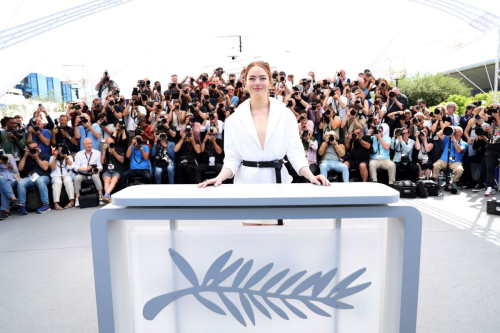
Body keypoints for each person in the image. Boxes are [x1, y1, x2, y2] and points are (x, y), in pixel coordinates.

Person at [198, 61, 329, 225]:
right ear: (245, 83)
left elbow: (295, 154)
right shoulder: (234, 120)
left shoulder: (285, 114)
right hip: (246, 188)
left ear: (270, 82)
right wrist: (219, 178)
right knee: (250, 245)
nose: (257, 83)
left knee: (280, 246)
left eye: (262, 78)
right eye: (252, 78)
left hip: (278, 186)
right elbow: (232, 158)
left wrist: (311, 177)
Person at [17, 141, 52, 215]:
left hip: (44, 177)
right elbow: (19, 169)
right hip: (31, 178)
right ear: (28, 149)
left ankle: (46, 204)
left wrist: (37, 158)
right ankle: (22, 206)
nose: (33, 149)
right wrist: (25, 156)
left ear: (38, 147)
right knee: (21, 183)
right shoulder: (27, 157)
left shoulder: (44, 156)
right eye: (31, 148)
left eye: (35, 147)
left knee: (40, 180)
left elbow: (45, 168)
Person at [431, 126, 467, 193]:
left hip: (456, 162)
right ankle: (435, 182)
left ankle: (453, 183)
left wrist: (454, 140)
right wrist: (449, 128)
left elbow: (459, 150)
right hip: (444, 160)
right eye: (455, 132)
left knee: (460, 169)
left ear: (461, 134)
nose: (456, 133)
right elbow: (438, 134)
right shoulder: (448, 139)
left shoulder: (464, 143)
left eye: (458, 132)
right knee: (435, 165)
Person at [73, 138, 105, 206]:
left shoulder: (97, 153)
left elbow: (100, 166)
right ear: (83, 145)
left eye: (91, 143)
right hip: (83, 174)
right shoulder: (78, 154)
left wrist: (96, 169)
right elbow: (76, 167)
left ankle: (100, 196)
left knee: (96, 176)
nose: (89, 145)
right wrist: (86, 169)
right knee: (76, 178)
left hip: (93, 173)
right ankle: (77, 199)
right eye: (88, 143)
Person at [49, 144, 75, 210]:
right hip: (56, 175)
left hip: (66, 174)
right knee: (57, 182)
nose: (61, 151)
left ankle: (72, 201)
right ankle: (56, 204)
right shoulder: (52, 157)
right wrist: (55, 157)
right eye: (59, 150)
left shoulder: (68, 157)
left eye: (62, 150)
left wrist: (66, 157)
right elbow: (52, 167)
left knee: (68, 181)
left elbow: (71, 166)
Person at [101, 137, 126, 202]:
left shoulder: (119, 149)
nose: (110, 145)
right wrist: (104, 151)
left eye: (111, 143)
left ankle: (106, 195)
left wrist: (114, 152)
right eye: (108, 143)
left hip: (116, 170)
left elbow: (122, 160)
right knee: (106, 180)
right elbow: (102, 162)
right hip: (107, 170)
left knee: (114, 179)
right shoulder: (105, 151)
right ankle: (107, 196)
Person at [0, 146, 21, 220]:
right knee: (1, 180)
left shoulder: (9, 156)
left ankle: (5, 210)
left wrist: (7, 163)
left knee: (2, 187)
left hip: (11, 179)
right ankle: (14, 199)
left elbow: (15, 170)